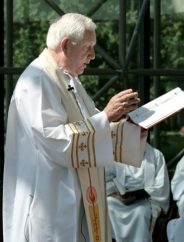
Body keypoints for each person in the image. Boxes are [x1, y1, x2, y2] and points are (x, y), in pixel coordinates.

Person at [3, 13, 146, 242]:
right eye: (88, 47)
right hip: (52, 200)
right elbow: (55, 140)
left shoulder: (69, 80)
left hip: (76, 197)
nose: (92, 56)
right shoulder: (38, 80)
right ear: (66, 44)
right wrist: (106, 116)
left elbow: (92, 127)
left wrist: (133, 129)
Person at [105, 142, 170, 242]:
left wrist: (141, 194)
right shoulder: (117, 153)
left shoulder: (156, 155)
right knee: (108, 204)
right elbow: (107, 179)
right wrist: (118, 196)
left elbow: (161, 186)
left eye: (143, 132)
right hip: (120, 198)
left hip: (145, 199)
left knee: (140, 212)